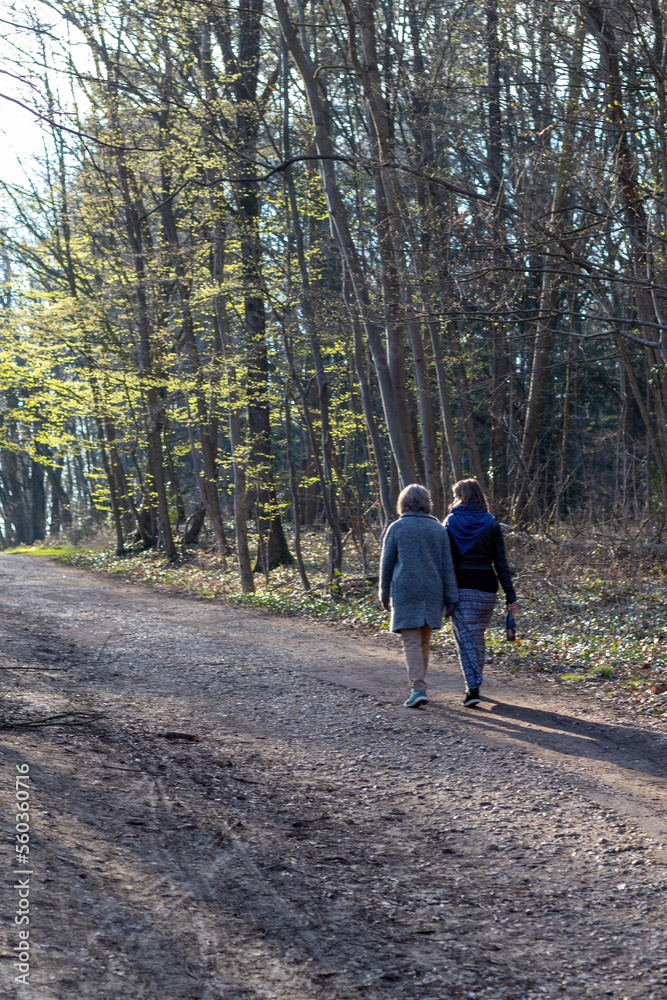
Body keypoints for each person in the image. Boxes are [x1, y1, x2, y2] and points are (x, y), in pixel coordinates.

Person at [379, 484, 459, 708]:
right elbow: (447, 566)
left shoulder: (397, 528)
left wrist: (383, 594)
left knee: (412, 642)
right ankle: (420, 686)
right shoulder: (437, 529)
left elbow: (386, 566)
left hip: (406, 589)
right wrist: (451, 596)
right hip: (433, 590)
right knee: (422, 641)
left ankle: (418, 688)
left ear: (403, 502)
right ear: (426, 502)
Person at [444, 478, 518, 707]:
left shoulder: (449, 522)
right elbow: (501, 563)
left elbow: (445, 561)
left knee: (465, 639)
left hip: (461, 585)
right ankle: (475, 681)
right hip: (487, 586)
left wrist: (443, 590)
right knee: (476, 636)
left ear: (460, 496)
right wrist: (510, 595)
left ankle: (472, 688)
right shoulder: (491, 523)